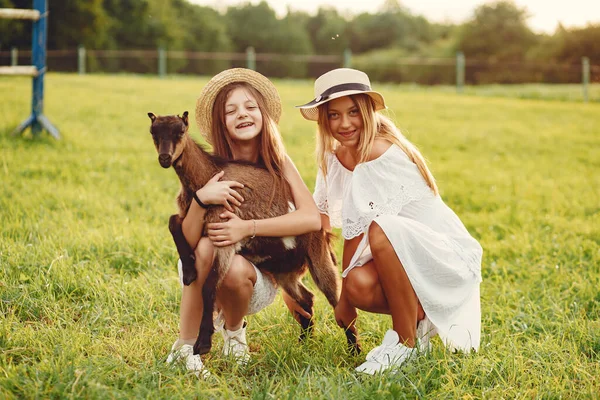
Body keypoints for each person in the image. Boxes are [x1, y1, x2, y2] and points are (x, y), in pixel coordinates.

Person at [296, 68, 483, 375]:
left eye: (353, 112)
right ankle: (419, 317)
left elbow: (357, 232)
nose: (344, 124)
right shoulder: (334, 157)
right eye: (333, 115)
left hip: (446, 257)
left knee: (381, 229)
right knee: (358, 283)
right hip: (410, 259)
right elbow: (321, 220)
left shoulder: (376, 151)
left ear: (367, 111)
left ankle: (405, 343)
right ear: (323, 120)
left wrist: (342, 301)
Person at [167, 68, 319, 376]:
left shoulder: (278, 160)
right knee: (209, 244)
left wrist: (247, 228)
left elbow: (311, 217)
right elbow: (189, 238)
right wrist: (201, 199)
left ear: (262, 114)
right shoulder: (206, 166)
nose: (243, 115)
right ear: (220, 122)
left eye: (250, 107)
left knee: (232, 264)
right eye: (231, 110)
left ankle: (234, 333)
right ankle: (184, 347)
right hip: (201, 267)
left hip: (253, 280)